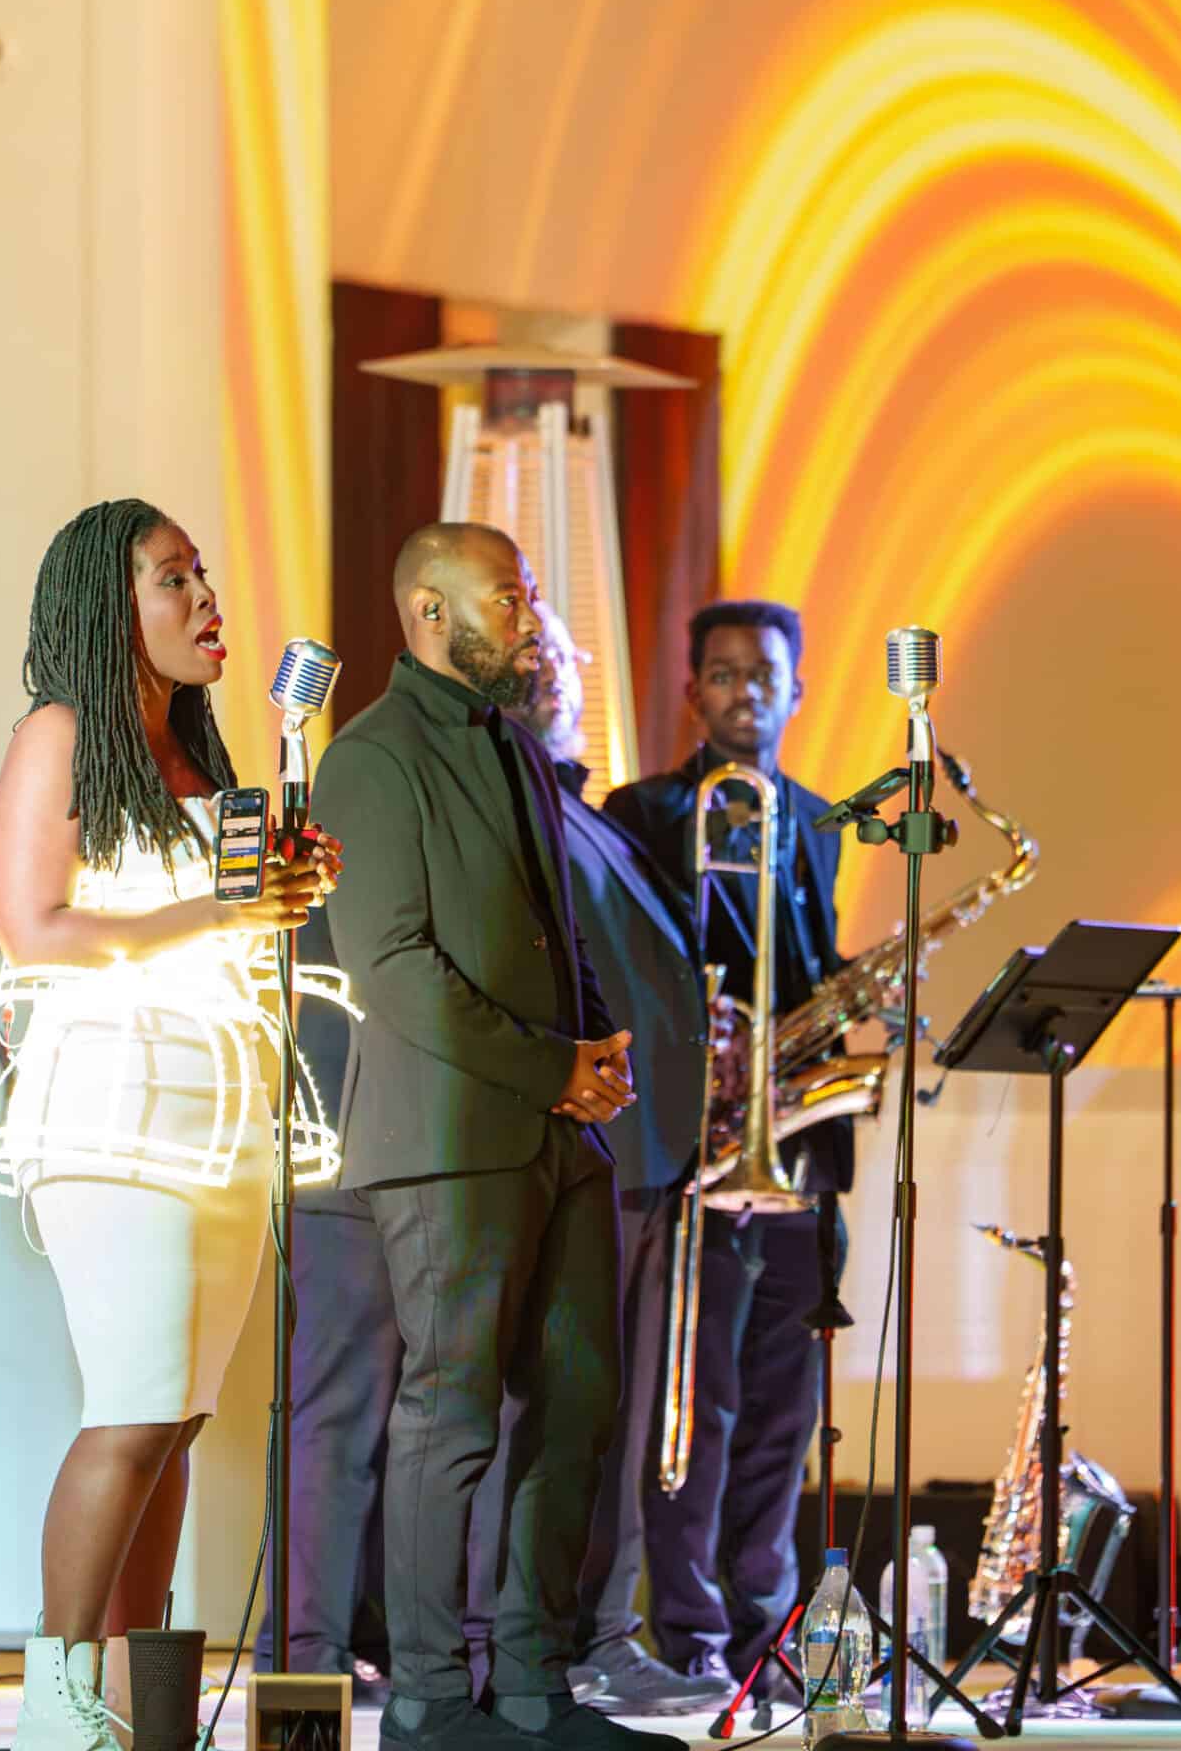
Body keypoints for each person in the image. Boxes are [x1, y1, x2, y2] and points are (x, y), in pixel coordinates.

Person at [0, 502, 339, 1751]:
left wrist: (284, 890)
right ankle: (55, 1694)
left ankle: (136, 1702)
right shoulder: (60, 733)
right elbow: (34, 928)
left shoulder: (200, 749)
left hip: (222, 1098)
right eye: (172, 580)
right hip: (116, 1109)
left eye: (202, 575)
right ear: (106, 606)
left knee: (174, 1412)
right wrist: (221, 917)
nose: (204, 598)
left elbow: (221, 918)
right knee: (129, 1403)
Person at [314, 520, 676, 1751]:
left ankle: (531, 1688)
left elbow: (547, 921)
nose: (529, 620)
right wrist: (546, 1069)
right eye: (509, 599)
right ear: (427, 611)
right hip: (448, 1138)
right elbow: (395, 968)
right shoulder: (364, 757)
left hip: (555, 1134)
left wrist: (598, 1044)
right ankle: (422, 1699)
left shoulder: (516, 748)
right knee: (452, 1408)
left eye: (525, 597)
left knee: (576, 1401)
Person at [465, 601, 721, 1720]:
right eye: (541, 652)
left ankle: (598, 1634)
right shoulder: (506, 796)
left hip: (644, 1154)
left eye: (562, 652)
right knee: (551, 1412)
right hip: (576, 1152)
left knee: (606, 1418)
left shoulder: (582, 806)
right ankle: (523, 1644)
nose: (562, 668)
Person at [603, 599, 854, 1700]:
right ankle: (687, 1633)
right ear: (690, 691)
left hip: (797, 1150)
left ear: (796, 689)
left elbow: (804, 957)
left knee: (780, 1412)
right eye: (720, 671)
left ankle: (766, 1631)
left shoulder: (817, 816)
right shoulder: (645, 811)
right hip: (699, 1157)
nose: (743, 687)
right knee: (690, 1411)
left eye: (763, 671)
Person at [254, 885, 402, 1701]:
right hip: (343, 1153)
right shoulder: (333, 827)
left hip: (379, 1146)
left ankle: (348, 1642)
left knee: (384, 1422)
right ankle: (305, 1654)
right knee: (334, 1418)